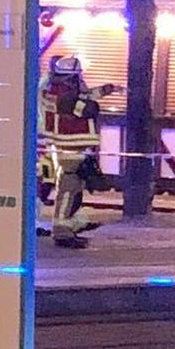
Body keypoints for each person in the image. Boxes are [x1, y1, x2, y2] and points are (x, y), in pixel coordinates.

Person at [38, 55, 106, 250]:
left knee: (73, 189)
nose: (81, 79)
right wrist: (94, 104)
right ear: (71, 77)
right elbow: (86, 109)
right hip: (71, 147)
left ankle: (69, 225)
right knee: (68, 189)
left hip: (68, 146)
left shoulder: (56, 89)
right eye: (78, 76)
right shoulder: (64, 95)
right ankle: (62, 231)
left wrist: (105, 90)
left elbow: (85, 96)